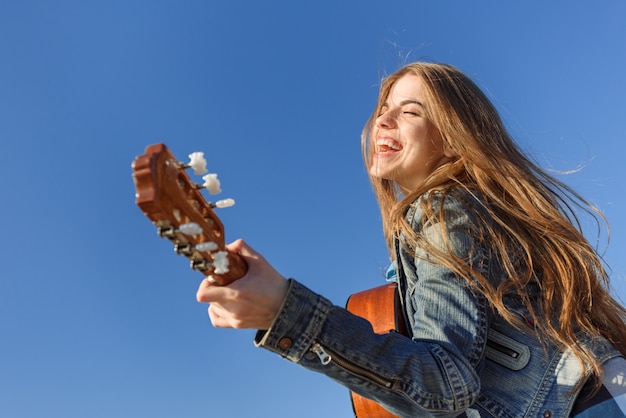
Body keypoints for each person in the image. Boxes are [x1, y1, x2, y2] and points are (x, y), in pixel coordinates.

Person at [196, 62, 626, 417]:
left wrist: (284, 312)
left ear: (456, 138)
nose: (383, 118)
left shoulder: (444, 208)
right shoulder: (461, 219)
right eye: (384, 107)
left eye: (411, 111)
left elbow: (445, 384)